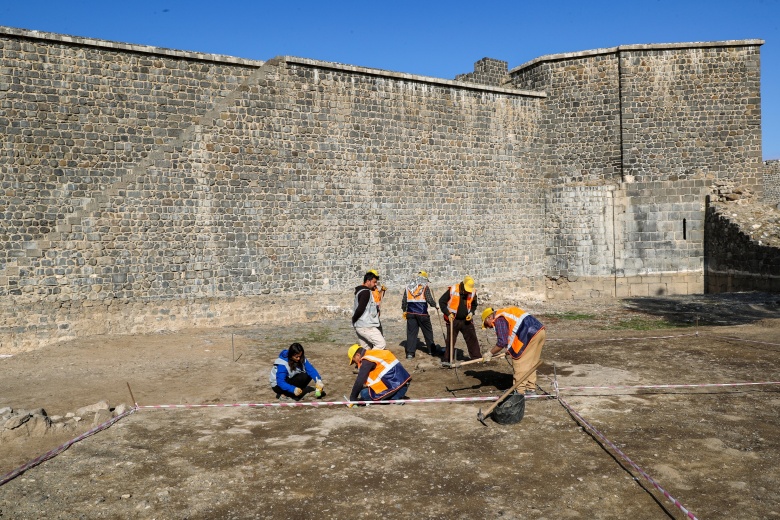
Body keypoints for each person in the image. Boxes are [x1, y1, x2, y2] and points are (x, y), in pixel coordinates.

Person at [481, 306, 546, 395]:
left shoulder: (499, 319)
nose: (488, 327)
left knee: (519, 363)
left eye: (486, 323)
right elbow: (512, 333)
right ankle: (530, 388)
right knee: (531, 363)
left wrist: (490, 353)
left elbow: (502, 342)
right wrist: (510, 349)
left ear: (489, 317)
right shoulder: (505, 314)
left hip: (529, 335)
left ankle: (519, 391)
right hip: (539, 331)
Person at [346, 344, 411, 405]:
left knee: (364, 393)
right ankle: (395, 397)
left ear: (358, 355)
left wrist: (353, 399)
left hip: (396, 386)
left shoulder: (367, 360)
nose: (356, 364)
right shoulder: (375, 353)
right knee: (366, 390)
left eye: (354, 361)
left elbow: (359, 381)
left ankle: (395, 398)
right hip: (403, 383)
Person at [438, 275, 480, 365]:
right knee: (450, 340)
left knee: (472, 338)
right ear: (463, 284)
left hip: (466, 320)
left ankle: (476, 358)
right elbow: (442, 302)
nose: (467, 291)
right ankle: (448, 359)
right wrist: (448, 313)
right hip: (453, 319)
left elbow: (474, 305)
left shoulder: (473, 292)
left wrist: (471, 313)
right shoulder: (453, 289)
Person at [401, 270, 440, 359]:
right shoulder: (424, 286)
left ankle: (410, 353)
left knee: (411, 334)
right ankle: (431, 350)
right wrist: (435, 305)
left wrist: (404, 310)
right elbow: (429, 299)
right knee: (428, 332)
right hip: (422, 314)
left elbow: (404, 301)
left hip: (410, 313)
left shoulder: (409, 286)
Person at [352, 271, 387, 350]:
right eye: (374, 282)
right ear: (368, 281)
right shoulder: (366, 292)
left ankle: (364, 360)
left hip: (360, 326)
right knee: (381, 344)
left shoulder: (360, 291)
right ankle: (369, 360)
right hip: (365, 326)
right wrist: (354, 319)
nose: (375, 284)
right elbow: (360, 309)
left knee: (366, 349)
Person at [367, 269, 387, 334]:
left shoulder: (375, 288)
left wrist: (382, 290)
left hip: (376, 315)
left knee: (379, 333)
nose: (376, 283)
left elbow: (379, 298)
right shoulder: (367, 290)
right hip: (370, 317)